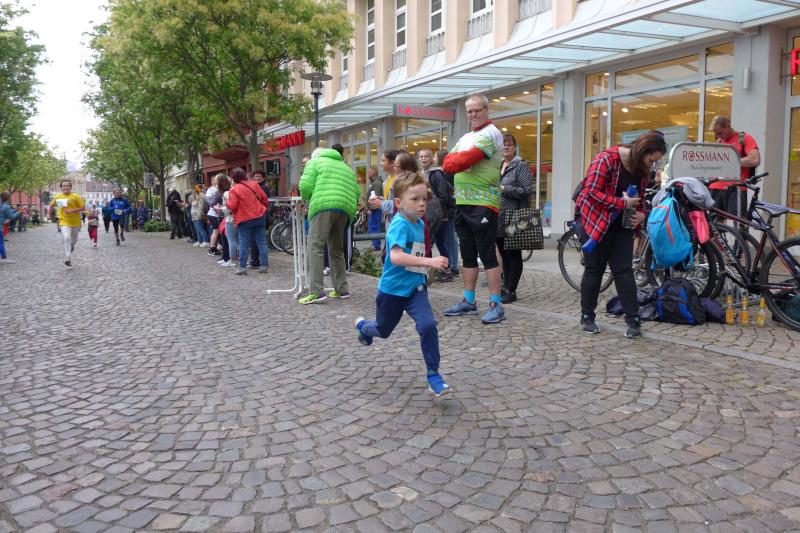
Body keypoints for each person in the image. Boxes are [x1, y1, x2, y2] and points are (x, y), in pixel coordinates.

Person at [354, 171, 451, 397]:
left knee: (428, 325)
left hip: (416, 288)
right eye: (415, 199)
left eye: (424, 199)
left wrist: (426, 268)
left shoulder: (420, 223)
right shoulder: (399, 225)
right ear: (398, 203)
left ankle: (434, 375)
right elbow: (396, 257)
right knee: (383, 330)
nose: (422, 204)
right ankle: (364, 327)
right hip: (392, 290)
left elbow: (417, 252)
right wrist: (430, 261)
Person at [576, 131, 667, 339]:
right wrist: (621, 203)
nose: (652, 165)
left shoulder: (641, 169)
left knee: (624, 271)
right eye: (651, 160)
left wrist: (642, 214)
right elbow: (590, 192)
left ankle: (633, 318)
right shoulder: (606, 159)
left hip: (622, 225)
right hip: (595, 222)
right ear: (643, 150)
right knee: (594, 270)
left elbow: (641, 199)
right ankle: (587, 316)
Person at [442, 94, 506, 324]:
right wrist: (456, 161)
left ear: (487, 110)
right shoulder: (467, 136)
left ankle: (496, 304)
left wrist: (458, 161)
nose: (473, 114)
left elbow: (460, 161)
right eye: (470, 111)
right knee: (468, 255)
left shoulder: (491, 133)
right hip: (463, 202)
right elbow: (447, 162)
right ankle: (469, 301)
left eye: (477, 110)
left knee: (487, 255)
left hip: (484, 203)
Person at [298, 146, 360, 304]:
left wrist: (307, 199)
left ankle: (316, 291)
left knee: (315, 246)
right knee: (336, 249)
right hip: (345, 208)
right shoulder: (346, 167)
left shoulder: (314, 162)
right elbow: (357, 191)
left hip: (323, 205)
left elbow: (305, 186)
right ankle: (341, 289)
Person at [495, 133, 533, 304]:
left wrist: (505, 189)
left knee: (513, 254)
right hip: (499, 216)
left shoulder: (521, 165)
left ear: (515, 147)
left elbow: (526, 190)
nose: (505, 147)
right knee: (504, 254)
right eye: (503, 144)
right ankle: (506, 286)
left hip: (515, 216)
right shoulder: (499, 165)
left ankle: (512, 290)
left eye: (509, 144)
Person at [708, 116, 760, 218]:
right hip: (715, 187)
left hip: (736, 188)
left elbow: (755, 159)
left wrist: (732, 161)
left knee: (739, 224)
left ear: (727, 126)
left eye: (720, 132)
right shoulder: (719, 141)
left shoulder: (744, 138)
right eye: (716, 133)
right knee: (713, 224)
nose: (718, 136)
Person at [227, 167, 269, 275]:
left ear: (233, 178)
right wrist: (263, 209)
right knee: (261, 242)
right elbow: (264, 198)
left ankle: (242, 267)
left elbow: (233, 206)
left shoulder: (234, 189)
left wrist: (227, 203)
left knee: (244, 243)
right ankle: (264, 265)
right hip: (259, 216)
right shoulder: (254, 184)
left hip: (244, 218)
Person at [425, 149, 457, 282]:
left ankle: (448, 270)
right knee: (438, 242)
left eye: (427, 156)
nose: (423, 159)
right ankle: (444, 269)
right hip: (433, 214)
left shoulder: (436, 173)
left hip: (439, 215)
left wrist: (431, 204)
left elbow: (443, 195)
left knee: (441, 242)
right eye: (421, 157)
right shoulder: (426, 173)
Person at [48, 178, 86, 267]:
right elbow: (51, 205)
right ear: (61, 187)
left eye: (68, 186)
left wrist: (72, 210)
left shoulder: (75, 196)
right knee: (66, 237)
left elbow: (83, 207)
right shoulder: (58, 197)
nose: (66, 187)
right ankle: (67, 258)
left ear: (71, 187)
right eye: (64, 186)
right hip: (63, 220)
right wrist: (48, 214)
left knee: (74, 240)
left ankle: (71, 246)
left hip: (75, 221)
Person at [250, 170, 272, 268]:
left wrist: (267, 212)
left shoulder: (266, 187)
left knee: (259, 240)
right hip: (254, 215)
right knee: (255, 240)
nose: (257, 178)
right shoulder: (252, 187)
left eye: (259, 176)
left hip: (262, 216)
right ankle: (256, 260)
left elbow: (271, 202)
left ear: (263, 177)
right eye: (255, 176)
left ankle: (259, 261)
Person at [205, 174, 223, 257]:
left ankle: (215, 247)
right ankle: (212, 249)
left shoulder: (219, 189)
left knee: (217, 231)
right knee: (216, 231)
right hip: (213, 214)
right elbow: (208, 201)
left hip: (217, 213)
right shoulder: (211, 189)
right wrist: (214, 205)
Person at [366, 168, 383, 251]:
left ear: (374, 173)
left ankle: (376, 245)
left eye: (369, 172)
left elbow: (375, 198)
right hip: (373, 209)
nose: (368, 173)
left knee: (374, 227)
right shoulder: (373, 183)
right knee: (372, 227)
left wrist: (371, 209)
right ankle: (375, 244)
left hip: (375, 210)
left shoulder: (377, 183)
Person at [0, 191, 19, 263]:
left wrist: (15, 210)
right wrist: (18, 212)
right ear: (8, 197)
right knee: (1, 243)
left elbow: (7, 212)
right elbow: (11, 217)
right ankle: (4, 258)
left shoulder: (2, 205)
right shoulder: (6, 206)